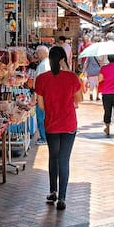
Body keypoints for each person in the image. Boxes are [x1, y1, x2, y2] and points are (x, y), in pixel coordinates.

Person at [34, 46, 82, 211]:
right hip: (69, 124)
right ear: (63, 59)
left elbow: (41, 105)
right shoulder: (72, 77)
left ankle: (52, 191)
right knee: (64, 159)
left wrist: (54, 109)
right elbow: (80, 99)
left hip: (51, 124)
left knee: (53, 157)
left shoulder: (41, 79)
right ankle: (62, 197)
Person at [33, 45, 51, 145]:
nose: (37, 55)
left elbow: (40, 82)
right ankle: (45, 137)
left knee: (41, 117)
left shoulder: (43, 65)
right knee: (43, 117)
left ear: (42, 53)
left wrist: (36, 96)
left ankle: (44, 138)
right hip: (45, 95)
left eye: (38, 53)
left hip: (42, 96)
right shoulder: (46, 63)